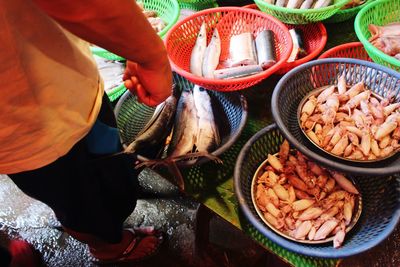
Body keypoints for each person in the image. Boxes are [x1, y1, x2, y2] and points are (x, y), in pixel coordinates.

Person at [0, 0, 172, 264]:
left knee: (109, 176)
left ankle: (109, 229)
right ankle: (108, 248)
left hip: (65, 96)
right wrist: (151, 57)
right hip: (35, 128)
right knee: (86, 207)